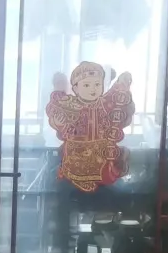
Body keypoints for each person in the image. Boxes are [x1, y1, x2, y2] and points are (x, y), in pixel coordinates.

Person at [45, 60, 135, 192]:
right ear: (76, 88)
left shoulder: (104, 104)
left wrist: (121, 85)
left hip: (102, 159)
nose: (92, 89)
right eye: (86, 85)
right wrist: (60, 123)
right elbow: (60, 121)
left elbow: (116, 102)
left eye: (97, 84)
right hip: (76, 157)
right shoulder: (71, 104)